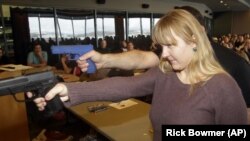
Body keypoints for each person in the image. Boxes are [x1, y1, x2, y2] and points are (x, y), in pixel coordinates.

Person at [29, 9, 247, 141]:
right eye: (161, 47)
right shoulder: (165, 72)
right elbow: (124, 86)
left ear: (194, 41)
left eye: (170, 46)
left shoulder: (221, 85)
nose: (164, 54)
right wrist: (69, 90)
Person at [77, 6, 250, 107]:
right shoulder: (173, 57)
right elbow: (142, 60)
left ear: (197, 33)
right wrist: (105, 60)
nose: (164, 54)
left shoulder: (235, 66)